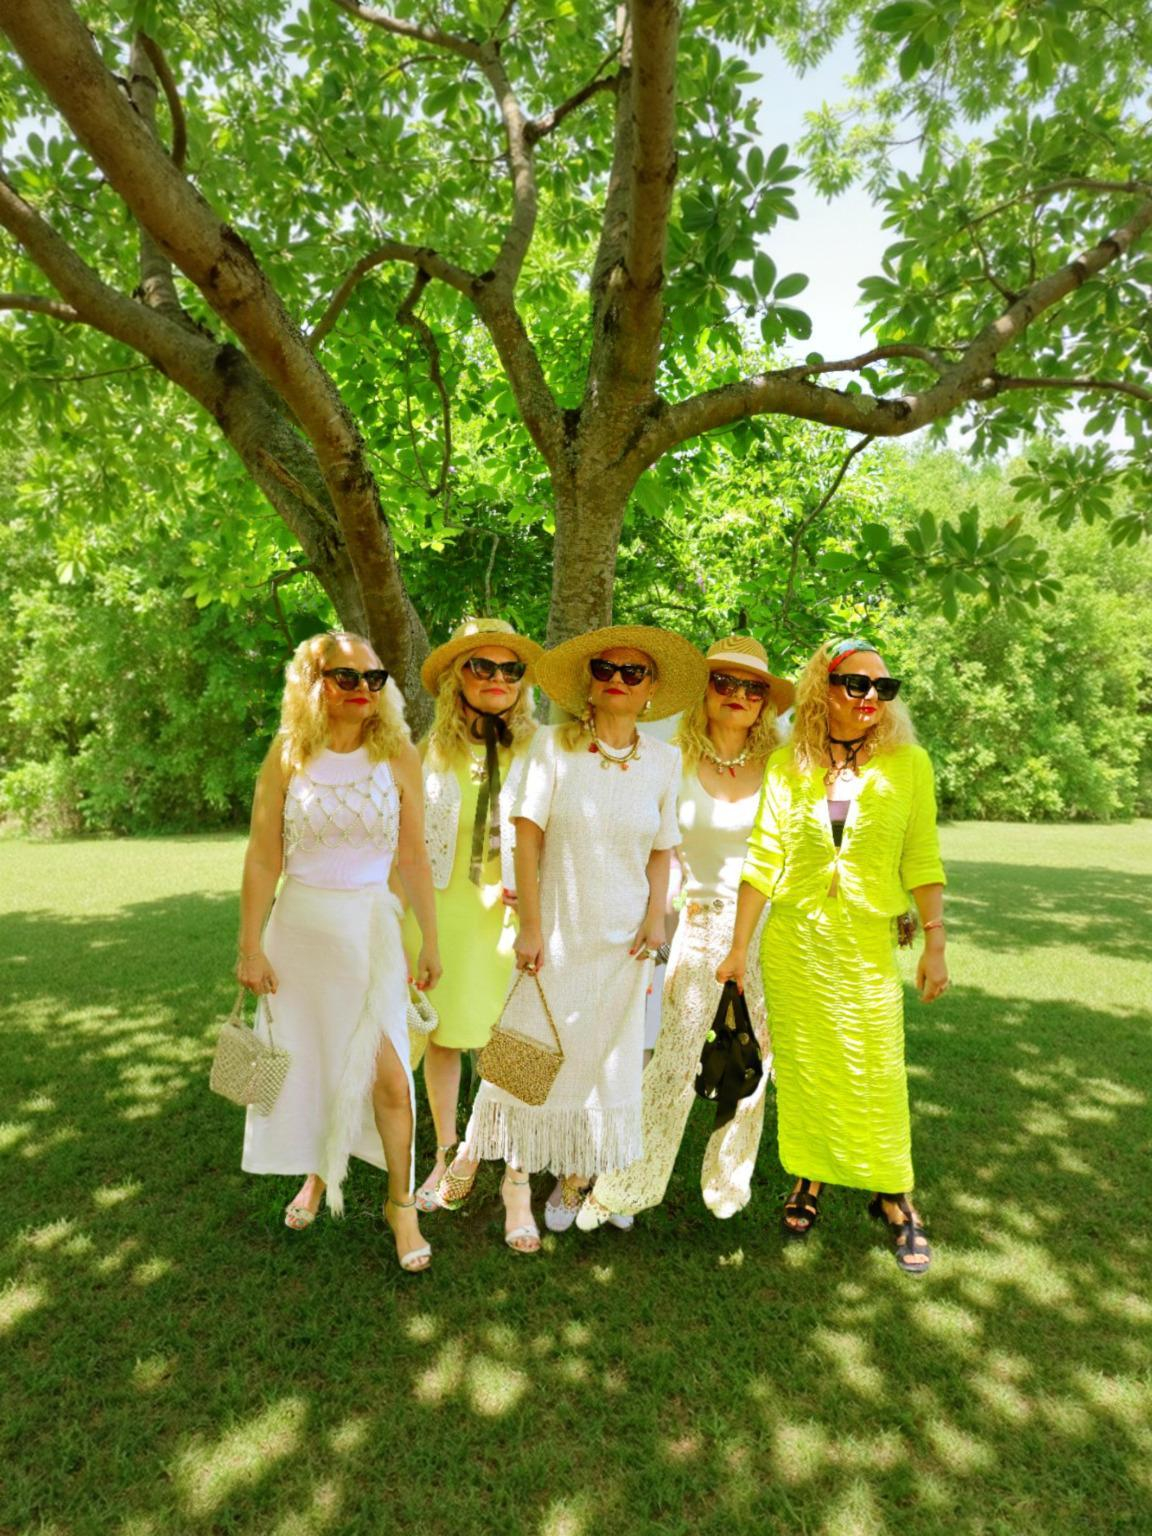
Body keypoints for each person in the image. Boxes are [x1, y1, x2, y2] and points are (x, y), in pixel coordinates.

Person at [437, 625, 708, 1248]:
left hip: (625, 943)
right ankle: (476, 1149)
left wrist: (655, 917)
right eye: (605, 670)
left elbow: (662, 849)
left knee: (599, 1064)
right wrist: (531, 927)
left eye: (633, 673)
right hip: (558, 933)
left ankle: (574, 1176)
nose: (617, 680)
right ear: (589, 684)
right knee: (525, 1052)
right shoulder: (551, 747)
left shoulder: (664, 762)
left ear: (650, 689)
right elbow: (525, 838)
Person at [717, 638, 949, 1274]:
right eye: (857, 683)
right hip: (795, 942)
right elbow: (763, 857)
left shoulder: (909, 765)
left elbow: (921, 855)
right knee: (807, 1070)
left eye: (884, 687)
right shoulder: (787, 764)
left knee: (877, 1068)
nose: (872, 696)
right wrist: (738, 947)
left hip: (866, 942)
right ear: (825, 688)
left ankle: (894, 1196)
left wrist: (935, 941)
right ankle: (808, 1179)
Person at [236, 631, 441, 1273]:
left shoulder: (399, 753)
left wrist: (430, 939)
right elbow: (263, 856)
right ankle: (319, 1173)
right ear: (313, 682)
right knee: (317, 1063)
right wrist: (249, 946)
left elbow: (413, 856)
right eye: (345, 677)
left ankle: (401, 1205)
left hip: (369, 936)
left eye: (372, 678)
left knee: (389, 1078)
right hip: (298, 936)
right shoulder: (287, 754)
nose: (361, 689)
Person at [578, 636, 794, 1229]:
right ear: (704, 691)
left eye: (753, 688)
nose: (738, 695)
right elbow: (651, 846)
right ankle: (624, 1186)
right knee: (673, 1063)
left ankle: (727, 1181)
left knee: (755, 1060)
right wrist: (651, 912)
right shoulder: (671, 761)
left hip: (767, 926)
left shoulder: (782, 768)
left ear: (765, 702)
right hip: (699, 926)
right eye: (725, 682)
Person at [402, 618, 542, 1214]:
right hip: (442, 916)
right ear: (457, 677)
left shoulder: (542, 750)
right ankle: (446, 1151)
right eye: (482, 666)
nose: (497, 678)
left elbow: (561, 833)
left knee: (517, 1045)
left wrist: (539, 894)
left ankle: (516, 1176)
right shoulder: (427, 753)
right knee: (445, 1037)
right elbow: (403, 844)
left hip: (513, 918)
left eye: (510, 669)